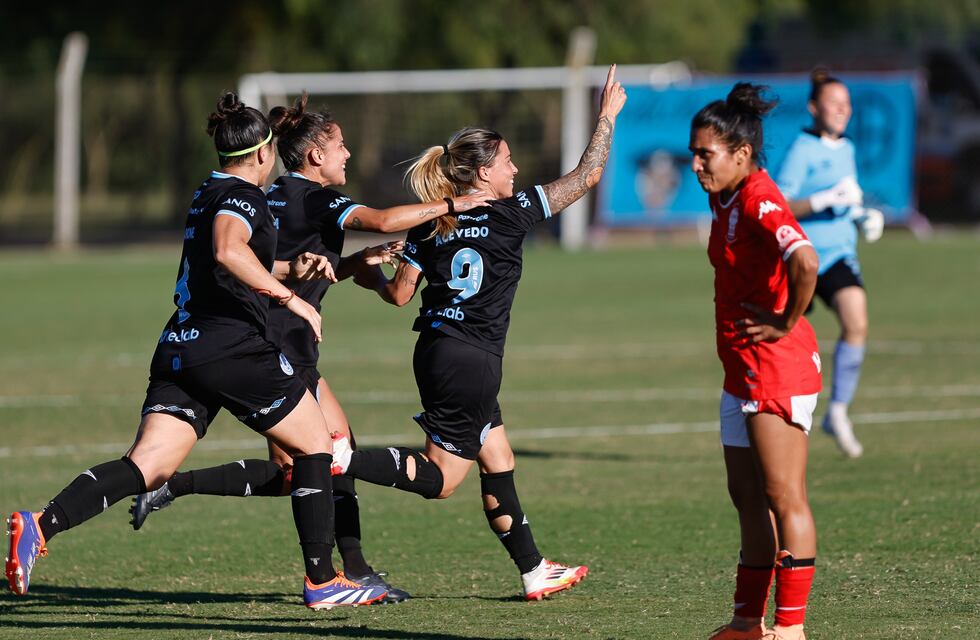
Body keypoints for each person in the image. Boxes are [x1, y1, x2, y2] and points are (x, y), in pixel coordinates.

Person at [5, 93, 389, 609]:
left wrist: (289, 271)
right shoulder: (245, 197)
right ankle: (323, 580)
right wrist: (290, 300)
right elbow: (229, 251)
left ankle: (40, 524)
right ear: (262, 153)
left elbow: (226, 259)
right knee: (318, 445)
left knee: (147, 465)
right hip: (230, 346)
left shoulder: (207, 189)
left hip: (179, 346)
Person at [127, 94, 492, 603]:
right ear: (315, 154)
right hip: (279, 347)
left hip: (273, 339)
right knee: (324, 457)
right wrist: (455, 203)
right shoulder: (313, 198)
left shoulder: (275, 193)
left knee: (304, 466)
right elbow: (386, 219)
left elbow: (300, 268)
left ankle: (178, 489)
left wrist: (355, 264)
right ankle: (340, 574)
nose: (348, 154)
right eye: (340, 145)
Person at [326, 64, 626, 601]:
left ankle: (534, 570)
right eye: (507, 160)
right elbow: (587, 177)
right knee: (443, 480)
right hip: (473, 359)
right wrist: (605, 116)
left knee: (499, 457)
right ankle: (340, 460)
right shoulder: (512, 213)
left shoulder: (431, 219)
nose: (515, 167)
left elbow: (398, 295)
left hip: (438, 349)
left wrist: (369, 273)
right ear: (484, 173)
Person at [689, 83, 821, 640]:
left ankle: (790, 629)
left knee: (783, 495)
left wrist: (786, 321)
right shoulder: (724, 197)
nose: (696, 165)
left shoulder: (760, 198)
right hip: (740, 370)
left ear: (741, 155)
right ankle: (748, 622)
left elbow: (806, 261)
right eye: (693, 153)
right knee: (746, 497)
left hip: (777, 367)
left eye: (705, 154)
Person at [775, 69, 883, 458]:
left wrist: (861, 216)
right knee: (781, 334)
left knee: (857, 321)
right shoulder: (801, 149)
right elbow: (779, 206)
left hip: (839, 256)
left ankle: (837, 411)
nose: (841, 110)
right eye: (833, 103)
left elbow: (846, 200)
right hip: (801, 257)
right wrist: (821, 200)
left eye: (846, 104)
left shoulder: (848, 149)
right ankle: (774, 411)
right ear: (813, 108)